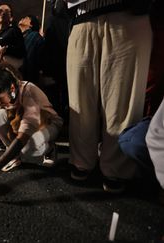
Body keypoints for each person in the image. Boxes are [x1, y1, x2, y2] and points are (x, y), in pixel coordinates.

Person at [66, 0, 153, 193]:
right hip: (82, 17)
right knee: (80, 100)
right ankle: (81, 160)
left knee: (122, 99)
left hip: (127, 12)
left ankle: (117, 168)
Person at [0, 62, 63, 182]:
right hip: (22, 122)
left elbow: (23, 137)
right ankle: (13, 155)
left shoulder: (28, 92)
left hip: (49, 122)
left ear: (11, 88)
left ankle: (50, 149)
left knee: (29, 148)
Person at [0, 4, 25, 71]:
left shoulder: (14, 30)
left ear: (11, 18)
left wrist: (6, 48)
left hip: (4, 73)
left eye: (7, 12)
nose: (3, 13)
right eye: (0, 11)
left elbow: (21, 51)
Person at [18, 15, 43, 84]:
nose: (22, 18)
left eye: (26, 18)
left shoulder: (34, 36)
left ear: (31, 25)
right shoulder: (17, 38)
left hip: (29, 79)